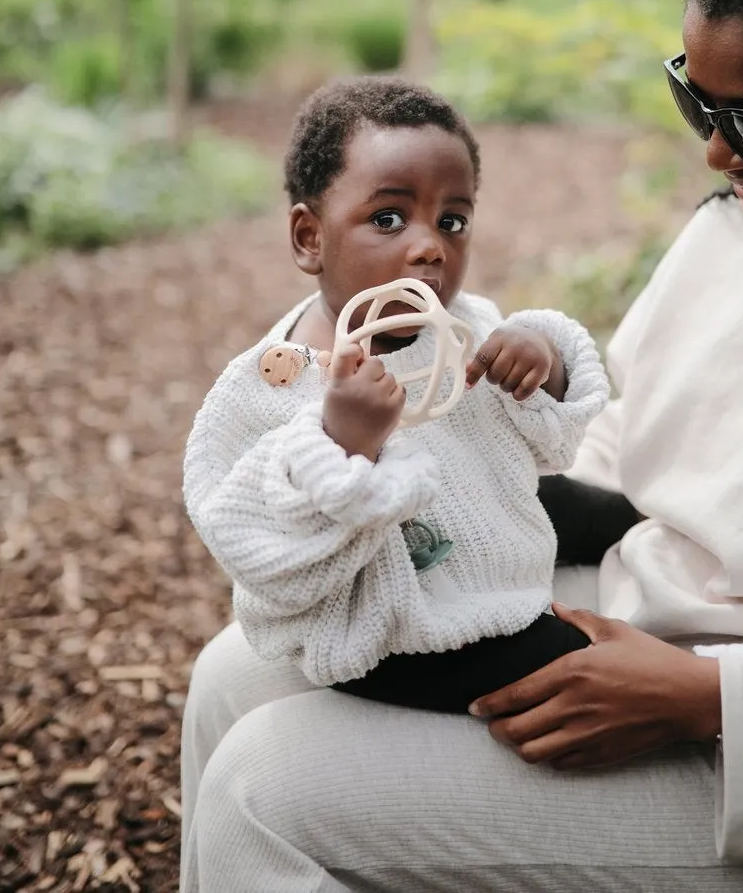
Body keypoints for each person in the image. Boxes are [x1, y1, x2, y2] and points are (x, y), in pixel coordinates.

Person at [180, 0, 743, 892]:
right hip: (653, 607)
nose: (717, 155)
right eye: (696, 103)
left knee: (265, 792)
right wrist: (480, 455)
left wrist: (703, 699)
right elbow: (640, 445)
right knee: (238, 673)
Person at [183, 77, 610, 714]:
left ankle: (641, 521)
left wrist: (540, 363)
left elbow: (551, 446)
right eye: (388, 218)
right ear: (310, 238)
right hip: (400, 638)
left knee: (585, 507)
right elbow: (250, 540)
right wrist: (342, 444)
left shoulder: (463, 323)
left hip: (485, 521)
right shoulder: (276, 383)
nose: (428, 246)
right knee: (571, 660)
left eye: (452, 221)